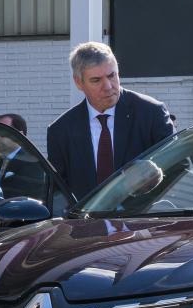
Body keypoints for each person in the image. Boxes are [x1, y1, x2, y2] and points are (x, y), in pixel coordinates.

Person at [47, 42, 174, 200]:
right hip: (87, 223)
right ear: (79, 82)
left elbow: (180, 172)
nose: (108, 86)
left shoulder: (151, 113)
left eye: (111, 75)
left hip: (144, 221)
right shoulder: (60, 131)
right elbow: (58, 193)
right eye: (96, 80)